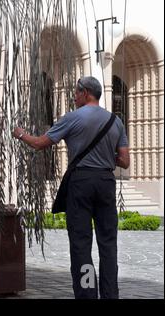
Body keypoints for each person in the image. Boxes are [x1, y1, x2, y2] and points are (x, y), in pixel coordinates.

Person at [13, 76, 130, 299]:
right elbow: (124, 161)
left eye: (76, 93)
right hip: (106, 183)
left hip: (82, 183)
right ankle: (110, 294)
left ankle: (87, 293)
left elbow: (39, 144)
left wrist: (20, 133)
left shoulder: (73, 118)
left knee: (81, 244)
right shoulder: (115, 121)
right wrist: (105, 156)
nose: (73, 97)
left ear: (85, 93)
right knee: (108, 244)